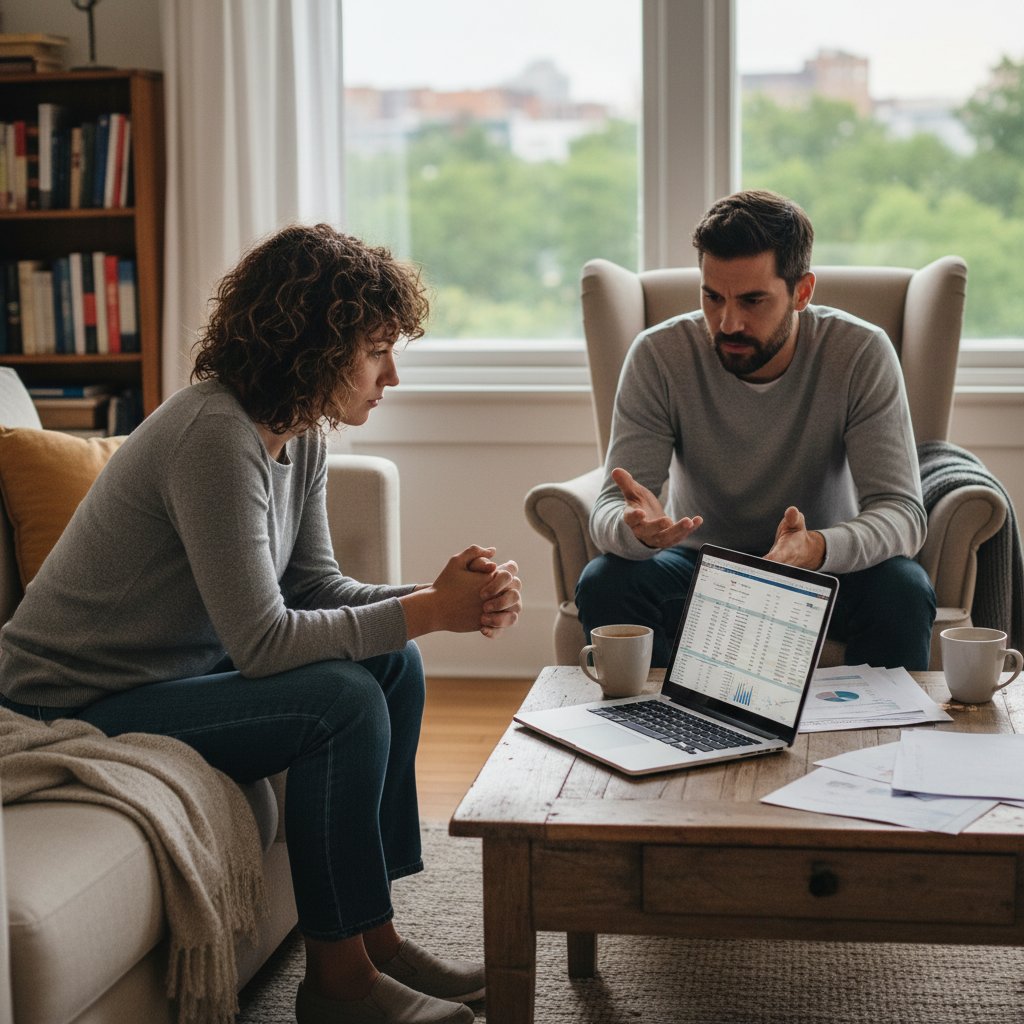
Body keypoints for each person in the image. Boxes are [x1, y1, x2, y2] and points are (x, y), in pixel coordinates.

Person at [0, 224, 523, 1024]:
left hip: (169, 676)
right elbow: (265, 641)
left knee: (395, 664)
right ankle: (337, 987)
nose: (393, 374)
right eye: (378, 349)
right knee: (339, 701)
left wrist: (440, 600)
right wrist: (425, 612)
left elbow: (313, 585)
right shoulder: (212, 433)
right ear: (316, 346)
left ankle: (373, 939)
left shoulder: (300, 433)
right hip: (71, 698)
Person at [576, 189, 935, 671]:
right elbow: (609, 508)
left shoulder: (859, 352)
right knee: (606, 580)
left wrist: (816, 548)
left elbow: (904, 515)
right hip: (699, 569)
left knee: (903, 588)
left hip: (820, 570)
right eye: (712, 296)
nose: (728, 322)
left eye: (752, 300)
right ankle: (654, 732)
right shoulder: (659, 355)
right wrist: (634, 531)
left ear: (802, 292)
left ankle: (881, 740)